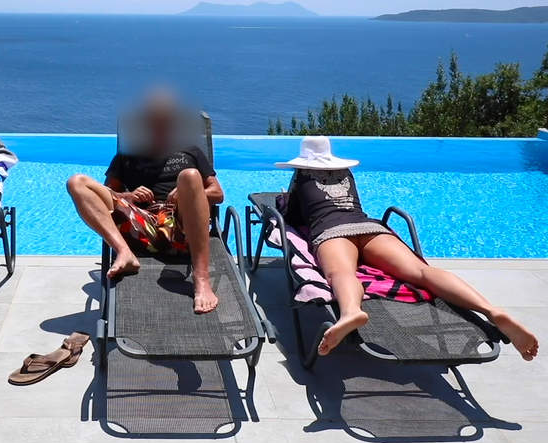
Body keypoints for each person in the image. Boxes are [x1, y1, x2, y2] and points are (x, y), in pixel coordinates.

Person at [276, 135, 539, 361]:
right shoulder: (346, 173)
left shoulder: (301, 177)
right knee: (421, 271)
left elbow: (294, 217)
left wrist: (284, 201)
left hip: (332, 232)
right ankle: (491, 310)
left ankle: (351, 311)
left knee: (341, 273)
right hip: (370, 228)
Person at [66, 96, 224, 314]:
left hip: (181, 225)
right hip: (140, 223)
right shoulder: (126, 156)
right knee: (77, 182)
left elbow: (218, 194)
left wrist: (187, 193)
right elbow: (106, 195)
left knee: (189, 176)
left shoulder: (191, 151)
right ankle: (124, 253)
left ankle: (201, 278)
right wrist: (129, 195)